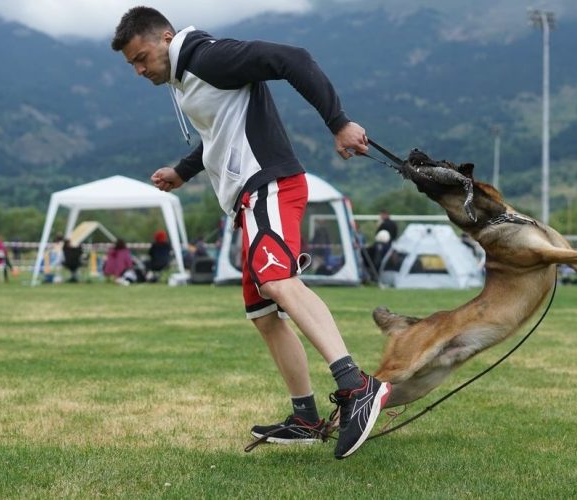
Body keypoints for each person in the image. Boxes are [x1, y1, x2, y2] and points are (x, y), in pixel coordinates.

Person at [112, 6, 390, 459]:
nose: (140, 70)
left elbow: (293, 59)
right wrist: (183, 172)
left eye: (142, 57)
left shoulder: (206, 57)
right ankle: (304, 415)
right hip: (251, 198)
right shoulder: (188, 76)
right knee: (262, 313)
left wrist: (338, 122)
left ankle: (357, 386)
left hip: (271, 186)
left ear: (165, 37)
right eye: (132, 65)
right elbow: (220, 133)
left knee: (279, 281)